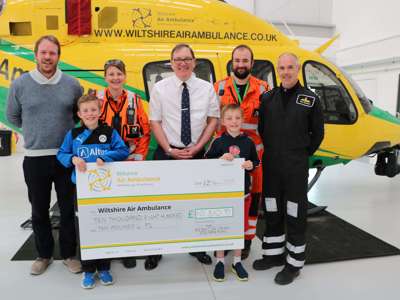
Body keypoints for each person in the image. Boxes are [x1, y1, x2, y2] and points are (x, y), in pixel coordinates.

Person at [6, 35, 83, 275]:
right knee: (38, 210)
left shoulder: (72, 85)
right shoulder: (20, 84)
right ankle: (44, 254)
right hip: (35, 158)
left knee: (68, 209)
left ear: (59, 56)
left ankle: (69, 254)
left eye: (52, 53)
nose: (48, 57)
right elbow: (13, 117)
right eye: (44, 53)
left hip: (65, 158)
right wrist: (32, 131)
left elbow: (77, 116)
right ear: (36, 54)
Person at [253, 53, 324, 285]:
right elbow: (262, 129)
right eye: (282, 68)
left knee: (294, 213)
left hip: (295, 168)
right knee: (272, 210)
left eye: (290, 67)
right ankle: (273, 255)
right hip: (272, 166)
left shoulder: (310, 100)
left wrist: (300, 154)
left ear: (298, 68)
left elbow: (318, 134)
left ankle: (293, 264)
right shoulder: (268, 98)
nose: (286, 71)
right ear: (277, 70)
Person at [149, 43, 220, 269]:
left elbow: (213, 120)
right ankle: (157, 249)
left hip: (196, 154)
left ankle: (196, 247)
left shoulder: (206, 88)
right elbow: (155, 122)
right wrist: (170, 150)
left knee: (195, 205)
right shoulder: (160, 88)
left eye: (187, 59)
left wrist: (199, 146)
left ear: (194, 62)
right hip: (168, 152)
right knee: (161, 206)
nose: (182, 63)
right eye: (178, 59)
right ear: (171, 63)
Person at [57, 94, 129, 289]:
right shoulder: (73, 134)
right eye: (85, 111)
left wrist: (107, 156)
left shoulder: (109, 132)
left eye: (93, 110)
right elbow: (61, 153)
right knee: (85, 229)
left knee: (104, 227)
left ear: (99, 112)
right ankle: (88, 270)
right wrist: (73, 159)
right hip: (81, 191)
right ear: (80, 114)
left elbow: (123, 150)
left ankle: (104, 268)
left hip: (104, 190)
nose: (90, 113)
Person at [214, 45, 269, 259]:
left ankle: (246, 240)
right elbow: (211, 121)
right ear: (232, 62)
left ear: (252, 64)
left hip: (254, 157)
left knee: (253, 200)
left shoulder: (263, 89)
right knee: (226, 199)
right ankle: (227, 238)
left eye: (245, 61)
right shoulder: (218, 88)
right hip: (225, 158)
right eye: (237, 60)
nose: (240, 64)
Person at [97, 59, 151, 269]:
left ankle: (127, 249)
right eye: (111, 74)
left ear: (125, 76)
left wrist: (138, 158)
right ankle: (108, 250)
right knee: (107, 210)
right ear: (105, 77)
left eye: (119, 74)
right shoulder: (98, 99)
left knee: (128, 209)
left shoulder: (135, 101)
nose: (115, 78)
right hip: (105, 163)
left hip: (129, 163)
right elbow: (89, 128)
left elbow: (145, 132)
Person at [205, 104, 259, 282]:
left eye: (237, 118)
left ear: (242, 120)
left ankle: (237, 262)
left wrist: (251, 165)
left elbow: (255, 162)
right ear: (223, 121)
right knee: (222, 228)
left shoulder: (248, 142)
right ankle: (219, 261)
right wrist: (220, 159)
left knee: (238, 229)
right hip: (222, 195)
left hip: (242, 195)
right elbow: (206, 162)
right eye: (229, 118)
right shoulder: (218, 142)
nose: (234, 121)